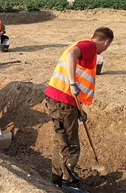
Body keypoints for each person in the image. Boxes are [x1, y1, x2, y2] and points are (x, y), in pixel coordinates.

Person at [44, 27, 114, 188]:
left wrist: (78, 110)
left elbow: (79, 71)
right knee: (71, 144)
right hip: (64, 101)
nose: (105, 49)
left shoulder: (83, 44)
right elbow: (71, 55)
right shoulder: (90, 46)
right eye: (107, 46)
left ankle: (56, 178)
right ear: (106, 41)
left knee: (60, 141)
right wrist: (72, 83)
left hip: (59, 100)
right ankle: (68, 182)